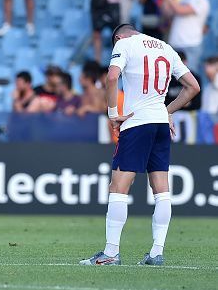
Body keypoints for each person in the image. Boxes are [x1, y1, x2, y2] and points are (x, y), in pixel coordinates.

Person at [80, 24, 200, 266]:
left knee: (118, 187)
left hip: (136, 123)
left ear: (119, 37)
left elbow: (112, 76)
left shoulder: (124, 44)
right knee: (162, 190)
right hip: (159, 124)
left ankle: (111, 253)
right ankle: (156, 253)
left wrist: (113, 113)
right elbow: (193, 87)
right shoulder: (167, 48)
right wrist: (166, 111)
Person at [160, 0, 210, 73]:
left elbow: (180, 10)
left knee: (189, 78)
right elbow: (168, 14)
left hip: (190, 45)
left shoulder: (201, 0)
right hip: (175, 45)